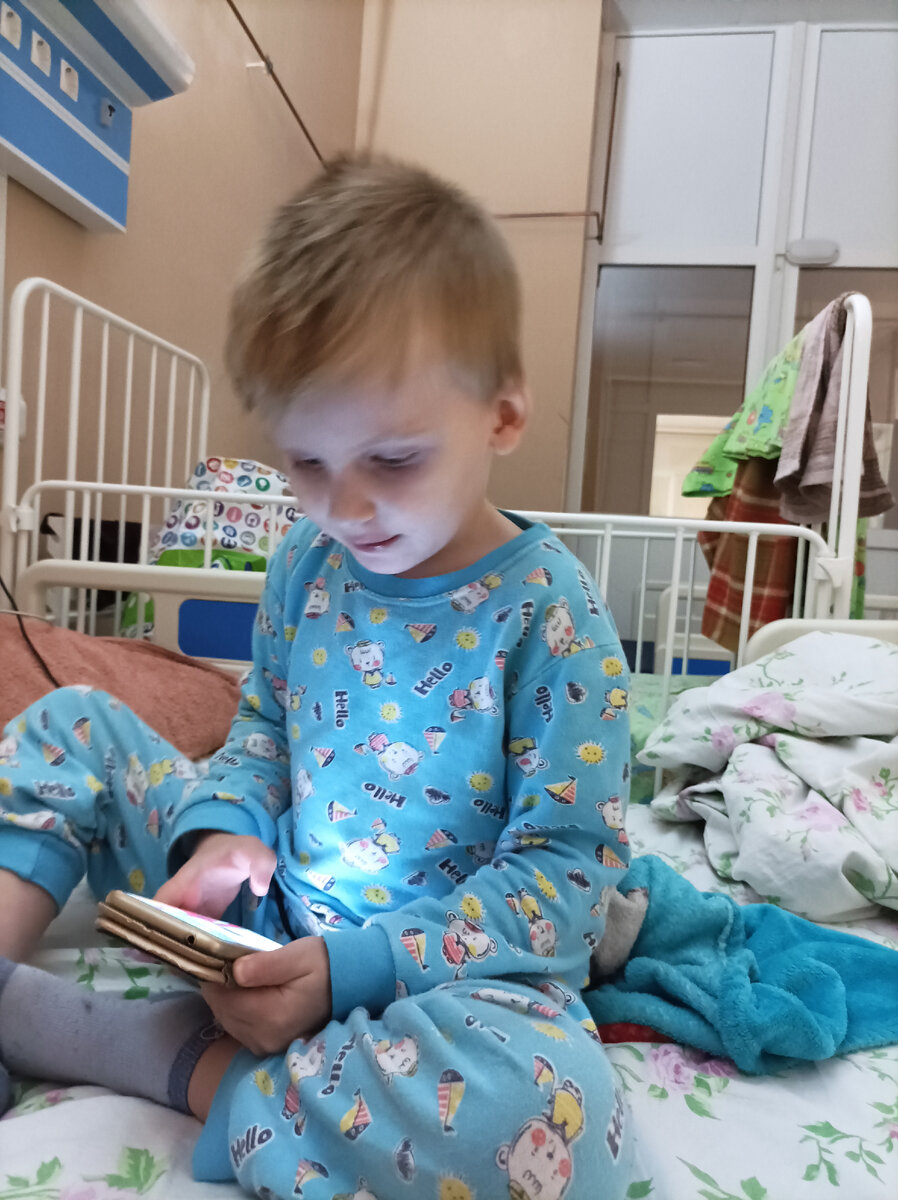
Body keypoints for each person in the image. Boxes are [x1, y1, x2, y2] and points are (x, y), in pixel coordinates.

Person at [0, 155, 634, 1199]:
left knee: (548, 1126)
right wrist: (220, 836)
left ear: (502, 417)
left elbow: (563, 881)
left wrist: (354, 970)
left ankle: (148, 1051)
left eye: (393, 461)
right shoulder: (308, 559)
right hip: (273, 909)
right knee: (69, 721)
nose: (344, 509)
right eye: (306, 464)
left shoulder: (552, 617)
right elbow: (262, 732)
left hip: (440, 979)